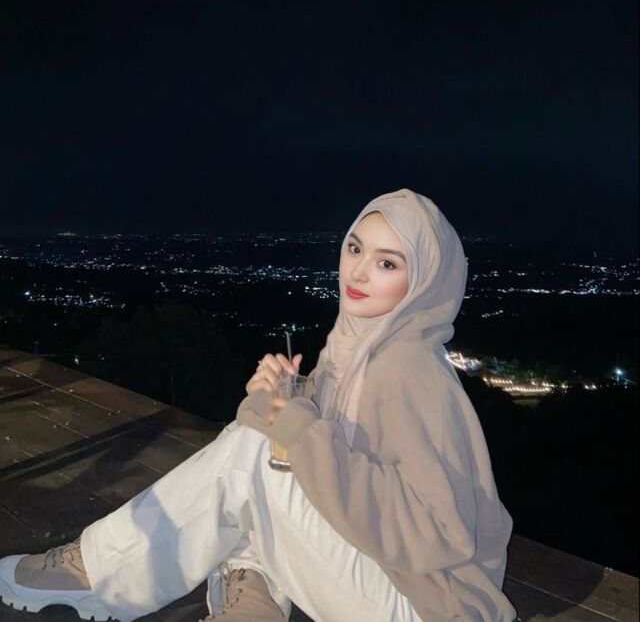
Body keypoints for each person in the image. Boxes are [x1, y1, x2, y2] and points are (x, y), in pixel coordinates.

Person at [0, 188, 517, 621]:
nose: (358, 272)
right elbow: (314, 448)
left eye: (386, 263)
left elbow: (437, 533)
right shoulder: (352, 350)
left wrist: (298, 430)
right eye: (355, 248)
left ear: (422, 283)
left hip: (427, 603)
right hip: (384, 578)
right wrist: (276, 401)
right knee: (256, 450)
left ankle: (98, 572)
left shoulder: (408, 371)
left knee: (255, 460)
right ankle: (255, 601)